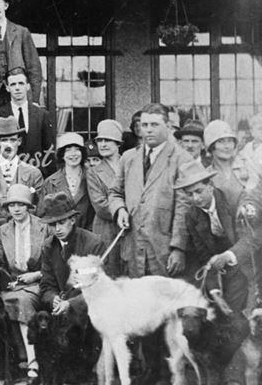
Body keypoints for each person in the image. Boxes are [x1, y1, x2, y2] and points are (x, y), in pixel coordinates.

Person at [107, 102, 193, 278]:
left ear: (168, 126)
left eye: (155, 125)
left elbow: (184, 208)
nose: (149, 130)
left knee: (164, 302)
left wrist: (178, 248)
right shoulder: (128, 158)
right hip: (132, 249)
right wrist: (120, 209)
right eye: (144, 125)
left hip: (164, 250)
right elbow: (115, 192)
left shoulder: (181, 159)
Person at [38, 192, 106, 385]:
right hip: (64, 305)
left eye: (61, 222)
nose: (56, 229)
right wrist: (54, 300)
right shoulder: (48, 246)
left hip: (90, 303)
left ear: (73, 220)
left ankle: (94, 370)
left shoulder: (92, 243)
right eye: (52, 224)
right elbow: (46, 286)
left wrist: (72, 304)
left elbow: (99, 287)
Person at [173, 161, 260, 315]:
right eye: (189, 194)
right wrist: (214, 291)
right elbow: (204, 257)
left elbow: (252, 238)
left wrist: (228, 256)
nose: (195, 198)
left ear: (210, 186)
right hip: (228, 275)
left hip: (254, 265)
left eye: (199, 191)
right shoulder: (192, 215)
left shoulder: (235, 199)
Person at [0, 184, 50, 385]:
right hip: (12, 283)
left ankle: (33, 362)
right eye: (12, 205)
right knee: (3, 303)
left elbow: (53, 262)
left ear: (29, 206)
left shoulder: (44, 227)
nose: (16, 209)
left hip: (38, 282)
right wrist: (8, 280)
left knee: (22, 301)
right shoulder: (2, 231)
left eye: (21, 205)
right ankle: (17, 361)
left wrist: (35, 275)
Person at [0, 116, 43, 230]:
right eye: (4, 140)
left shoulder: (33, 173)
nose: (8, 144)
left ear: (19, 141)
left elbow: (39, 207)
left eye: (13, 140)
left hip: (22, 230)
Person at [0, 68, 56, 174]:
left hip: (36, 174)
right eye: (13, 84)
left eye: (21, 83)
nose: (17, 88)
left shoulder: (41, 115)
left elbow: (49, 151)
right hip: (8, 174)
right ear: (7, 88)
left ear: (27, 86)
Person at [86, 120, 125, 276]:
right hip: (107, 229)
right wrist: (123, 211)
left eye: (107, 140)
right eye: (100, 141)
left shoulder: (130, 163)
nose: (102, 144)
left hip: (133, 227)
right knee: (110, 271)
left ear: (118, 144)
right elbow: (100, 204)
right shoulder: (94, 172)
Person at [36, 132, 93, 230]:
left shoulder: (92, 177)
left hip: (88, 235)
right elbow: (41, 214)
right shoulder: (50, 182)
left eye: (77, 150)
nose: (73, 154)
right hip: (60, 236)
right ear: (62, 154)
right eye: (68, 150)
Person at [204, 120, 248, 209]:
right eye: (221, 142)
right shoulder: (206, 176)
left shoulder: (246, 167)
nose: (227, 146)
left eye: (230, 141)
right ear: (211, 146)